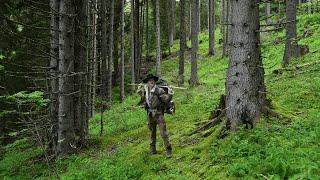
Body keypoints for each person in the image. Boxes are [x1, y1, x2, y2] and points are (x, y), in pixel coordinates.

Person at [137, 74, 172, 158]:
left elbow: (166, 100)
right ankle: (152, 150)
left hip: (159, 114)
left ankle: (168, 151)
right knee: (152, 133)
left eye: (152, 80)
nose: (151, 82)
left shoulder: (159, 90)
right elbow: (144, 101)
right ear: (147, 83)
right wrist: (140, 94)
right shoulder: (146, 91)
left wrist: (170, 94)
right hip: (150, 115)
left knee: (163, 133)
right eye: (149, 81)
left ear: (154, 81)